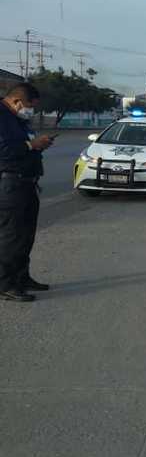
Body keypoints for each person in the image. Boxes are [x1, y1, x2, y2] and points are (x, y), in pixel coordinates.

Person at [0, 83, 55, 302]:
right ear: (17, 101)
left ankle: (21, 278)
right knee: (11, 236)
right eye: (30, 106)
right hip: (10, 185)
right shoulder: (2, 117)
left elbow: (22, 144)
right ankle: (5, 284)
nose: (31, 111)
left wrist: (37, 145)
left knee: (25, 235)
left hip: (26, 184)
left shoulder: (16, 119)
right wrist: (32, 145)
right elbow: (4, 150)